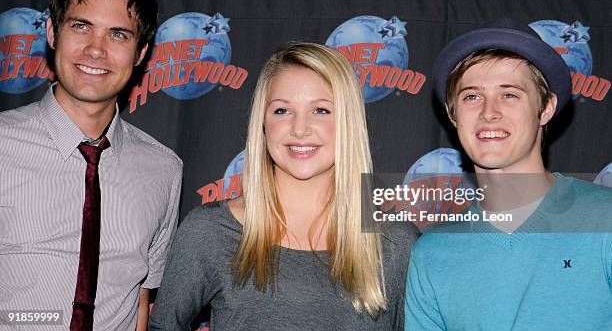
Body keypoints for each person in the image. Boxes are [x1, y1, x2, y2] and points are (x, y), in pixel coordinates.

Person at [149, 42, 417, 330]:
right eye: (282, 111)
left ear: (349, 122)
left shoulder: (395, 243)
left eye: (321, 110)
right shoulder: (209, 232)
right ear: (263, 123)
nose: (300, 129)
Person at [0, 0, 182, 331]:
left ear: (141, 53)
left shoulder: (164, 170)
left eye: (118, 34)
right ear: (52, 32)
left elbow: (141, 303)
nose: (96, 49)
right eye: (81, 26)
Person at [405, 18, 612, 330]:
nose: (489, 112)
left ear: (545, 108)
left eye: (510, 94)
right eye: (472, 96)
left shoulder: (605, 221)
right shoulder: (431, 254)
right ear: (452, 114)